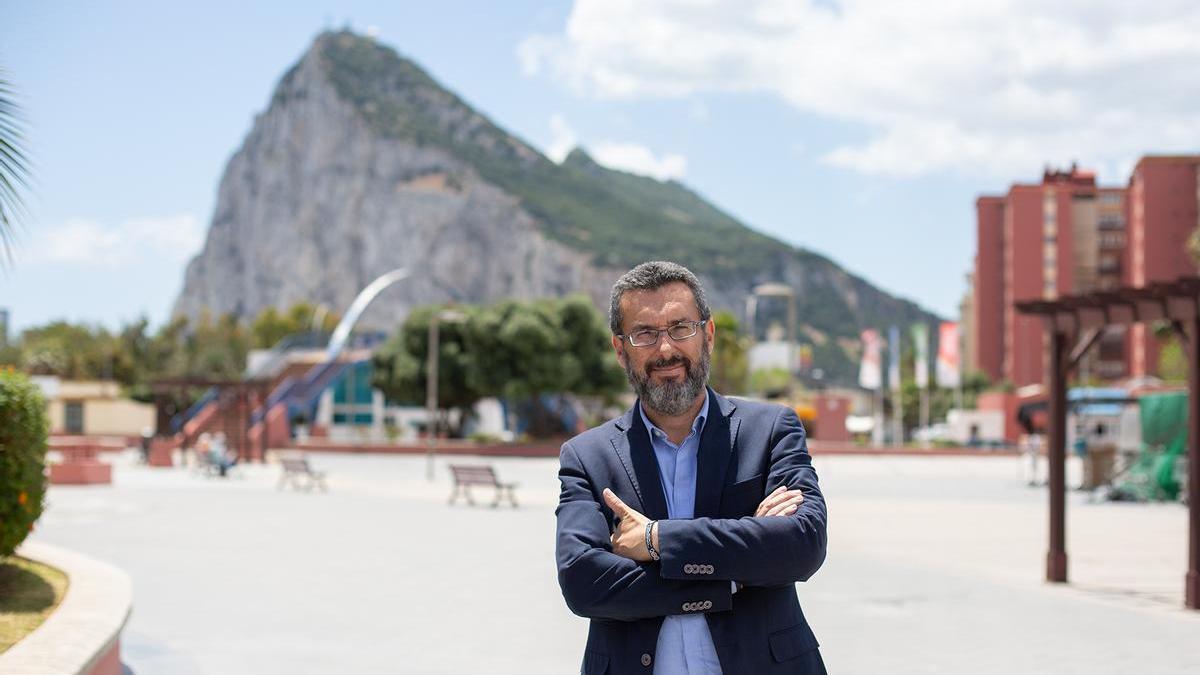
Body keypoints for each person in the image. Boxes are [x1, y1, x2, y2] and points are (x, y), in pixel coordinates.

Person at [556, 261, 828, 674]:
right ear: (619, 349)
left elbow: (802, 546)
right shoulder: (587, 457)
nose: (665, 349)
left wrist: (656, 539)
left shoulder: (770, 430)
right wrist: (732, 575)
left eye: (680, 327)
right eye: (644, 333)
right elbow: (583, 583)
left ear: (708, 335)